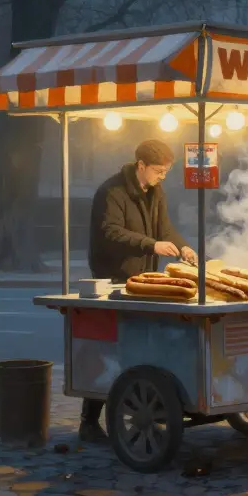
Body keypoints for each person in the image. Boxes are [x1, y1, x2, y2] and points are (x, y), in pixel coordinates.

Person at [80, 138, 196, 441]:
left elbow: (164, 229)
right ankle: (89, 421)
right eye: (159, 170)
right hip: (113, 277)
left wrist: (183, 247)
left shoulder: (156, 191)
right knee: (110, 349)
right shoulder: (111, 191)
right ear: (141, 165)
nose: (162, 176)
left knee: (142, 346)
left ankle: (143, 408)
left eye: (166, 171)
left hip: (145, 279)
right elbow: (110, 232)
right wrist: (151, 244)